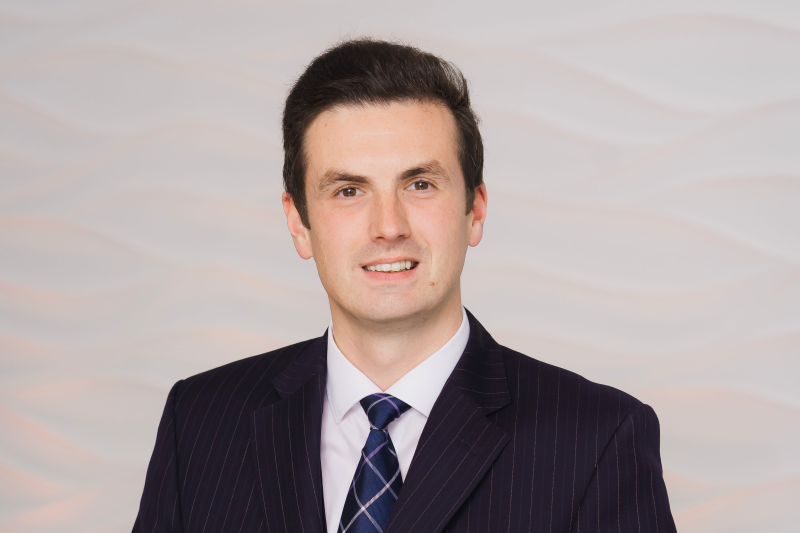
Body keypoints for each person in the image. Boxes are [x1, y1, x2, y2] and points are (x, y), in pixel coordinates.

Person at [133, 39, 676, 533]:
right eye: (349, 191)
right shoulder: (199, 423)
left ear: (475, 210)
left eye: (419, 184)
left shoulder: (597, 439)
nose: (388, 226)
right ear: (298, 223)